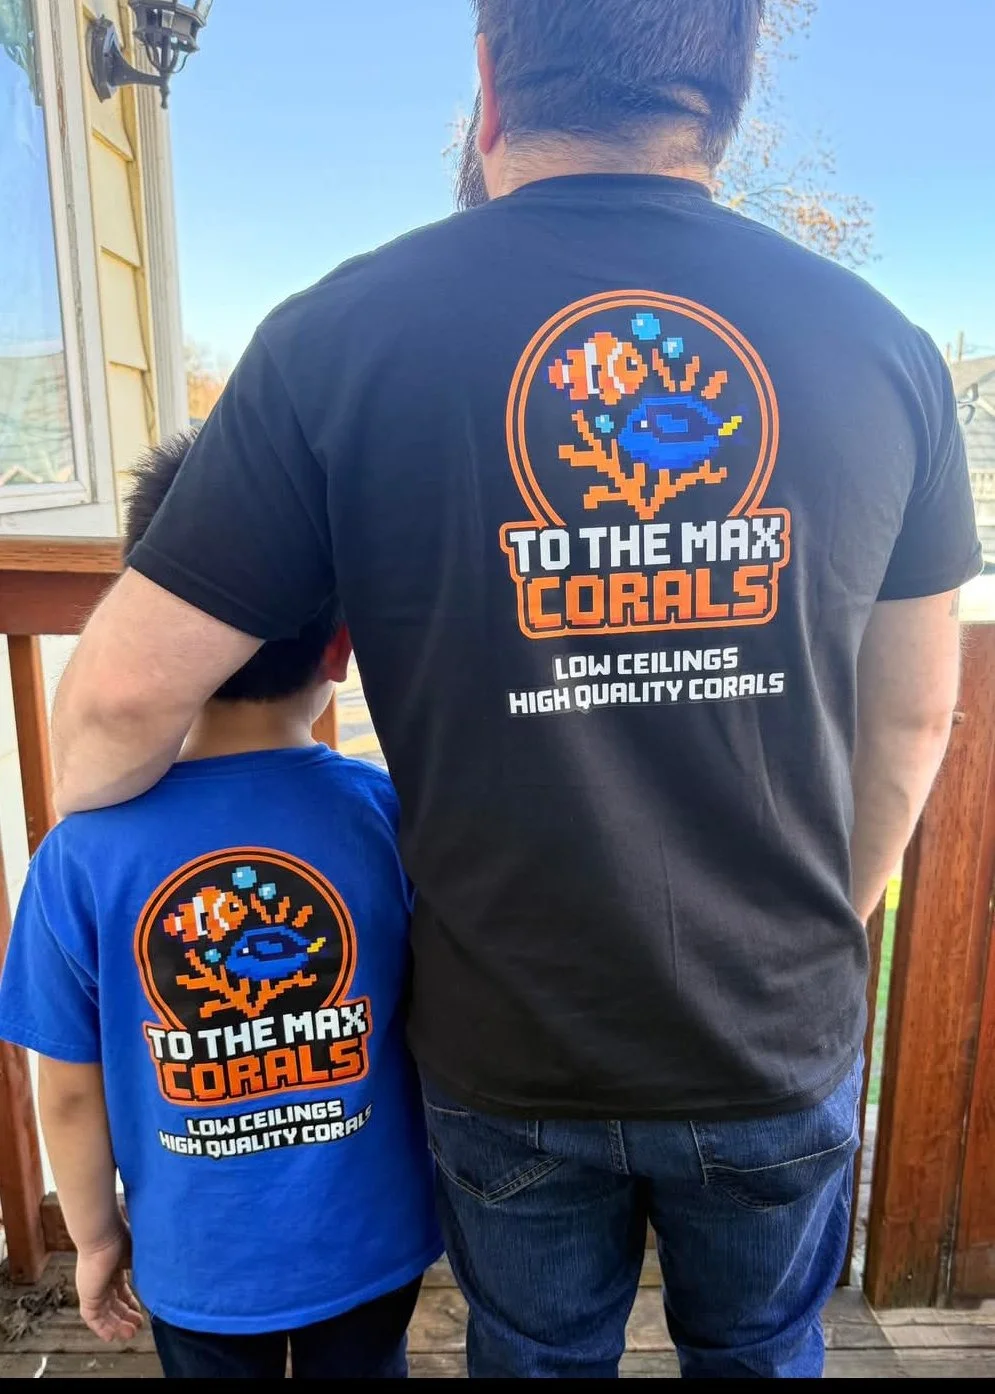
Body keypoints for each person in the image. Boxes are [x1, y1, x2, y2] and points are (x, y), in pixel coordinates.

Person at [48, 0, 980, 1379]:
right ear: (726, 91)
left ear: (488, 85)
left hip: (511, 1046)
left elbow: (120, 704)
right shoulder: (884, 347)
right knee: (762, 1346)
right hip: (771, 1032)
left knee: (537, 1355)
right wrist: (801, 935)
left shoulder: (334, 339)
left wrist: (105, 857)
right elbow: (910, 722)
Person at [0, 432, 442, 1380]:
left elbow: (69, 1090)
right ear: (340, 645)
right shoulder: (389, 819)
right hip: (370, 1243)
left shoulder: (79, 854)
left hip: (197, 1260)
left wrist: (98, 1237)